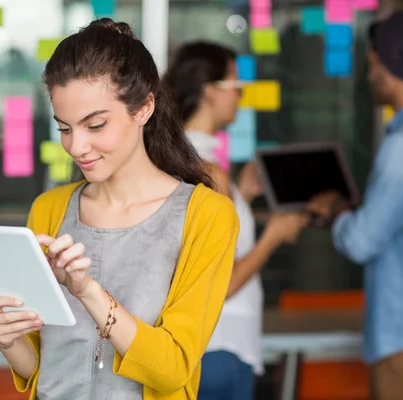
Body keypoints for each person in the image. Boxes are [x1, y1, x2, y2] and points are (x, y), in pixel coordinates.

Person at [0, 19, 240, 399]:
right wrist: (7, 340)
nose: (77, 146)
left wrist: (88, 291)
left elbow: (172, 369)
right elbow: (43, 365)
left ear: (144, 108)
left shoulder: (207, 215)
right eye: (65, 128)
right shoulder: (50, 209)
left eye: (96, 125)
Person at [163, 41, 308, 400]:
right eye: (234, 84)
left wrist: (243, 194)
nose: (241, 94)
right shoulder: (206, 168)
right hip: (220, 348)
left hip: (209, 347)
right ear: (209, 90)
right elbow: (221, 284)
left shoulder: (187, 156)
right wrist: (273, 237)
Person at [307, 11, 403, 400]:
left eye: (373, 65)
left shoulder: (399, 150)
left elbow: (362, 241)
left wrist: (337, 213)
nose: (368, 77)